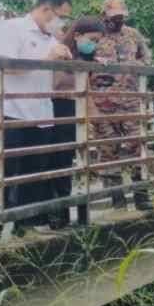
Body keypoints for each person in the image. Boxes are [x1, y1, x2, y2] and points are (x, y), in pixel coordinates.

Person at [0, 0, 72, 235]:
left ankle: (23, 226)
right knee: (6, 172)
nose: (62, 22)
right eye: (61, 16)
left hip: (42, 113)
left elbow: (53, 82)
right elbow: (6, 66)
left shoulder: (52, 40)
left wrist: (60, 64)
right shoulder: (13, 28)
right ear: (47, 9)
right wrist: (48, 58)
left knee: (34, 173)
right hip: (12, 111)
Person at [92, 0, 153, 211]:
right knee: (109, 152)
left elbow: (147, 60)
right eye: (113, 17)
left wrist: (130, 65)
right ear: (104, 16)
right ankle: (117, 200)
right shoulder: (95, 37)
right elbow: (83, 64)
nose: (117, 21)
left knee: (138, 147)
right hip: (103, 104)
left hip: (130, 102)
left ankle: (142, 196)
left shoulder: (133, 35)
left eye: (120, 17)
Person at [51, 17, 106, 230]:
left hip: (77, 108)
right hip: (59, 107)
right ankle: (59, 216)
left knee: (76, 160)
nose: (93, 44)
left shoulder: (86, 55)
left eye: (97, 41)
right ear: (77, 35)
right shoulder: (60, 52)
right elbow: (58, 81)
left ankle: (79, 215)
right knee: (60, 162)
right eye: (91, 39)